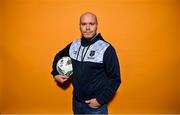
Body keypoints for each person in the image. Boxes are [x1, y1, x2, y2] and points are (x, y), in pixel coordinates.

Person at [51, 12, 121, 114]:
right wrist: (55, 73)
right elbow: (59, 56)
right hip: (76, 103)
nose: (87, 28)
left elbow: (115, 79)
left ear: (96, 25)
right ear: (79, 26)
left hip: (95, 107)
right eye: (83, 24)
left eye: (91, 24)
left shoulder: (106, 49)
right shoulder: (74, 45)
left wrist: (99, 101)